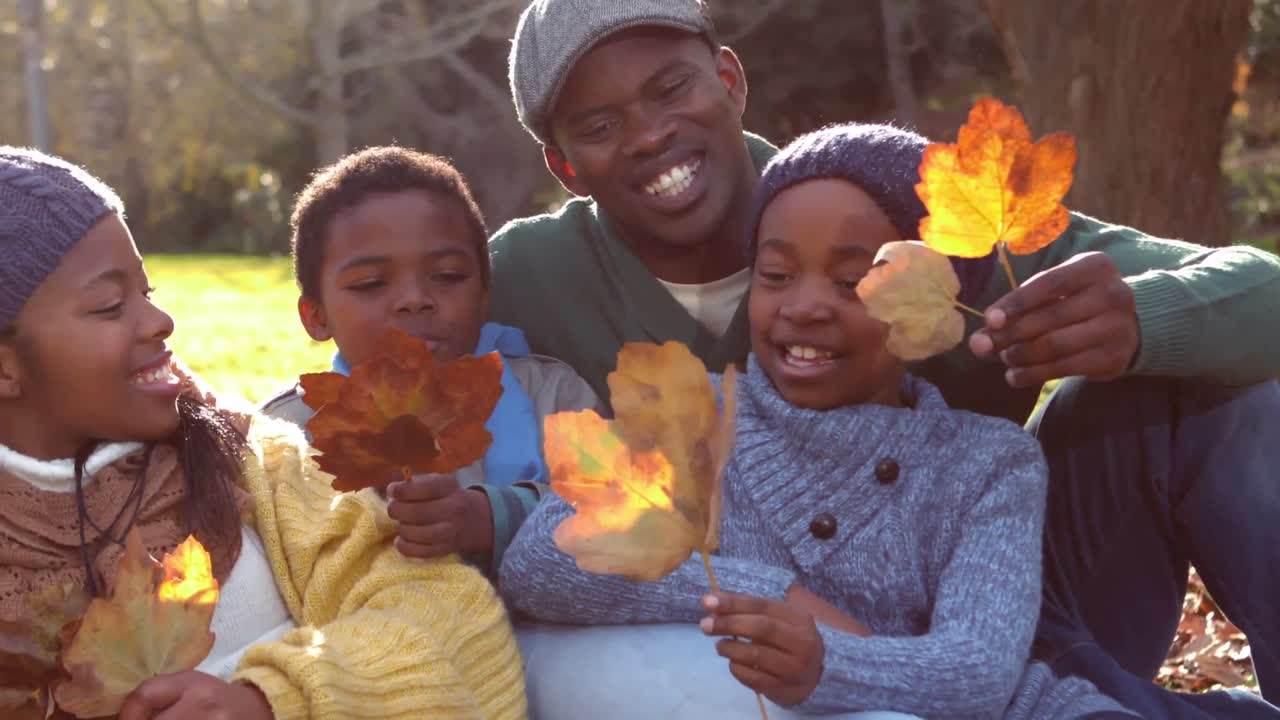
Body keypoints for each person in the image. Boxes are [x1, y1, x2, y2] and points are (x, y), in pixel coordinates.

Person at [490, 1, 1280, 715]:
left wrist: (1145, 320)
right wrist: (786, 604)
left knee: (1225, 387)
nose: (650, 134)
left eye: (671, 89)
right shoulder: (525, 279)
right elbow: (395, 376)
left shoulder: (891, 199)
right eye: (598, 126)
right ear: (565, 167)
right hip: (780, 651)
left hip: (1005, 590)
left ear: (729, 80)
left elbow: (1261, 297)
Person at [500, 123, 1137, 720]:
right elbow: (543, 558)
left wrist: (829, 661)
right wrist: (772, 598)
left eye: (854, 281)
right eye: (776, 276)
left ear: (930, 306)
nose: (804, 307)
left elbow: (981, 669)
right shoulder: (699, 420)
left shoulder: (987, 463)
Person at [0, 147, 527, 719]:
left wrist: (268, 702)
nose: (160, 322)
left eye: (147, 294)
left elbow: (449, 618)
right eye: (108, 306)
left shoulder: (253, 461)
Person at [261, 146, 600, 579]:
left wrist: (488, 517)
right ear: (316, 316)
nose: (415, 299)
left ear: (484, 296)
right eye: (370, 284)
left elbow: (619, 510)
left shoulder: (551, 396)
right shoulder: (288, 434)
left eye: (447, 276)